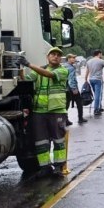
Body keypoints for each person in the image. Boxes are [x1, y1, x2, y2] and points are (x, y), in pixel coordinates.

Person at [19, 47, 70, 176]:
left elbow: (49, 75)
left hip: (57, 110)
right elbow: (26, 80)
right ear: (47, 57)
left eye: (58, 55)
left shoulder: (62, 70)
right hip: (39, 111)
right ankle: (45, 167)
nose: (56, 56)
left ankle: (59, 166)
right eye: (53, 54)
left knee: (58, 140)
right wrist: (20, 68)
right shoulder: (39, 71)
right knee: (41, 141)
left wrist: (28, 64)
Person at [64, 54, 87, 125]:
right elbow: (71, 79)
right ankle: (80, 118)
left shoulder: (64, 66)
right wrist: (74, 89)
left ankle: (65, 120)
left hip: (66, 89)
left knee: (66, 105)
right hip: (72, 89)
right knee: (79, 103)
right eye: (73, 58)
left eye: (74, 58)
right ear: (68, 59)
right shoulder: (70, 68)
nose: (74, 59)